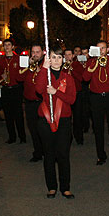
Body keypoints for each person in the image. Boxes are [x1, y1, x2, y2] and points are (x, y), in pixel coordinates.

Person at [35, 46, 77, 199]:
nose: (57, 60)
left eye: (59, 57)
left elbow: (72, 99)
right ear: (49, 59)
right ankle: (51, 186)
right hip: (46, 120)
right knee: (49, 155)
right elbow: (38, 90)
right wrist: (43, 69)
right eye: (53, 57)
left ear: (63, 60)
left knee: (63, 155)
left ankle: (65, 187)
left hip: (63, 120)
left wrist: (56, 92)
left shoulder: (68, 77)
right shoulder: (44, 75)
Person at [83, 40, 109, 165]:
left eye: (103, 48)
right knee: (98, 128)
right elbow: (85, 78)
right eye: (98, 49)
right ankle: (101, 155)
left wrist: (106, 66)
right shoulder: (91, 62)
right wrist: (93, 65)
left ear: (107, 50)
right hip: (96, 98)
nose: (101, 51)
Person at [0, 38, 26, 144]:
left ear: (12, 46)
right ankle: (12, 137)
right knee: (8, 115)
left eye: (9, 45)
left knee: (18, 114)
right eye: (5, 45)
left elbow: (24, 74)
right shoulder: (1, 60)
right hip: (6, 89)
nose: (7, 47)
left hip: (16, 89)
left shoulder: (18, 59)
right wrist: (1, 78)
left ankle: (22, 137)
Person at [19, 43, 44, 162]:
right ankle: (37, 152)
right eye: (33, 52)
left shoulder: (45, 65)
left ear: (42, 53)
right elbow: (18, 78)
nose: (35, 55)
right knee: (33, 129)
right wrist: (26, 67)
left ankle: (47, 152)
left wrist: (39, 71)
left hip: (41, 102)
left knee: (44, 129)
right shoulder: (27, 64)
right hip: (29, 102)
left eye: (37, 52)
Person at [62, 48, 85, 145]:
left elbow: (81, 78)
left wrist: (72, 69)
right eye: (66, 55)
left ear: (73, 56)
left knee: (78, 117)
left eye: (69, 54)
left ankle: (79, 137)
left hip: (77, 94)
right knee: (66, 118)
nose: (68, 56)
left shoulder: (77, 65)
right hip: (66, 95)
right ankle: (68, 138)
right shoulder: (61, 66)